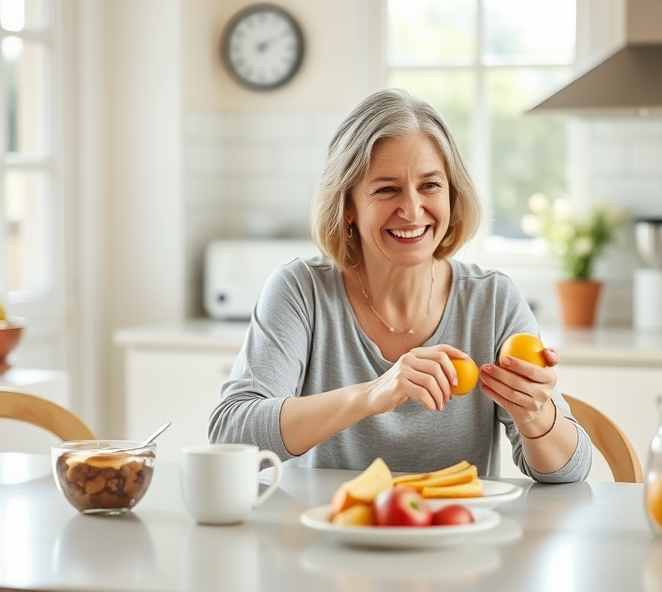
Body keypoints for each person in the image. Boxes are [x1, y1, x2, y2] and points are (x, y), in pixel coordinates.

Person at [209, 88, 591, 483]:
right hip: (330, 535)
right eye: (386, 189)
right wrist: (372, 394)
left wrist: (536, 415)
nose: (411, 209)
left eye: (429, 186)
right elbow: (230, 434)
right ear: (348, 206)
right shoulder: (301, 291)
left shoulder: (491, 300)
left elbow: (571, 471)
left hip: (455, 536)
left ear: (452, 194)